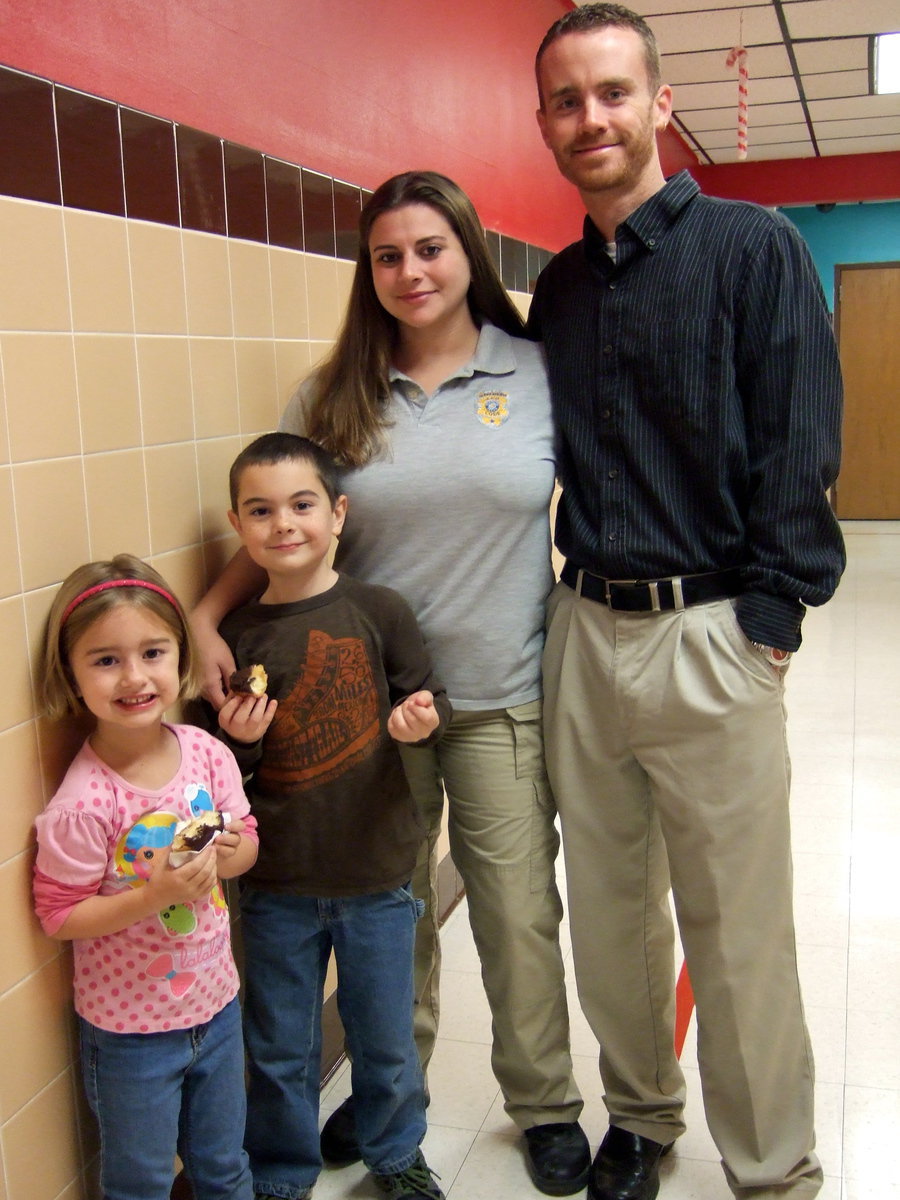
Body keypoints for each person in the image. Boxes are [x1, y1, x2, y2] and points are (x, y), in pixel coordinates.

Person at [190, 170, 590, 1197]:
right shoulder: (333, 396)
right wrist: (200, 614)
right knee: (389, 921)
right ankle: (380, 1103)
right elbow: (291, 521)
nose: (410, 271)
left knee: (513, 913)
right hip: (360, 714)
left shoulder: (541, 372)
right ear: (366, 273)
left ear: (468, 254)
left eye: (430, 248)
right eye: (387, 255)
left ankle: (543, 1104)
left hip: (499, 696)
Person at [529, 6, 846, 1200]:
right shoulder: (557, 290)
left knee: (737, 927)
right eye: (567, 100)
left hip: (712, 633)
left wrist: (771, 619)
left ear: (660, 105)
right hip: (584, 632)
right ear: (546, 123)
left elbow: (802, 443)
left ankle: (770, 1166)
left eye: (613, 92)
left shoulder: (753, 248)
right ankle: (644, 1119)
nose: (591, 117)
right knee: (610, 914)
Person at [216, 432, 451, 1200]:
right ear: (238, 526)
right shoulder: (239, 636)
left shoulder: (380, 610)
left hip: (377, 873)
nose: (284, 524)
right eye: (262, 510)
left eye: (302, 504)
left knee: (384, 1040)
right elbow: (220, 777)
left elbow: (428, 697)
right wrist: (240, 745)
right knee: (280, 1045)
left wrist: (421, 718)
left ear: (338, 513)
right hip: (278, 883)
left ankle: (396, 1156)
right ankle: (283, 1174)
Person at [33, 554, 259, 1200]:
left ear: (180, 657)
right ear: (71, 676)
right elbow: (58, 915)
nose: (134, 677)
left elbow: (246, 848)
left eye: (153, 652)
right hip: (129, 1034)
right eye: (106, 660)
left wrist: (232, 851)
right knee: (141, 1183)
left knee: (225, 1168)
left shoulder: (207, 755)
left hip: (216, 1006)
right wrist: (153, 896)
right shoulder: (84, 804)